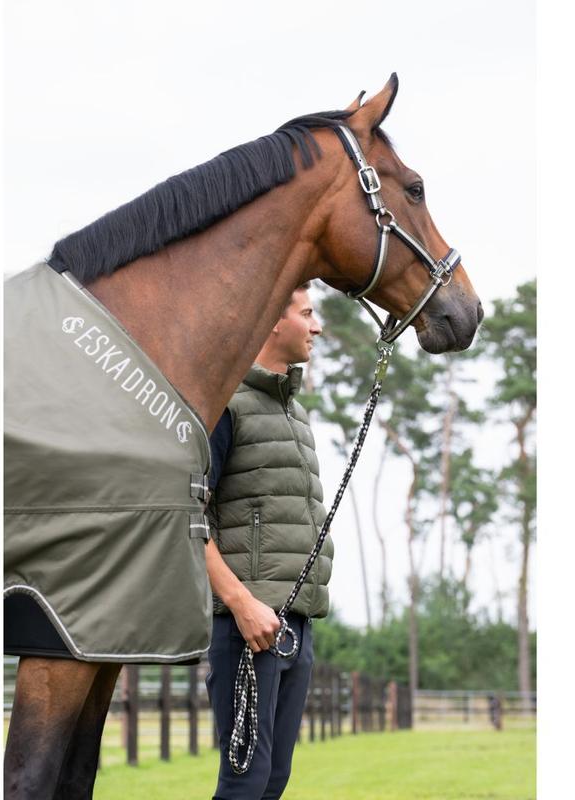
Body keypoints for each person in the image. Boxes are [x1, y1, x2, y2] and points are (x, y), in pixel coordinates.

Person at [205, 282, 333, 800]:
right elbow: (186, 516)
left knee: (273, 783)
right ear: (273, 320)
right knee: (245, 782)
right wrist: (240, 603)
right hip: (248, 630)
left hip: (296, 626)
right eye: (308, 313)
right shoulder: (225, 404)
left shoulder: (295, 415)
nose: (317, 326)